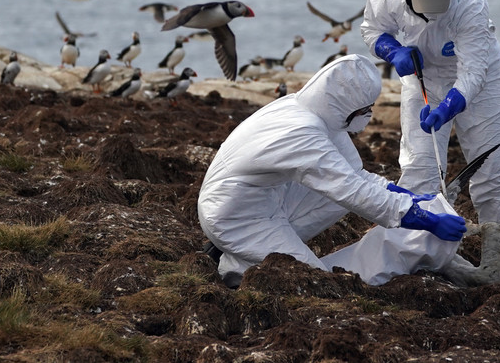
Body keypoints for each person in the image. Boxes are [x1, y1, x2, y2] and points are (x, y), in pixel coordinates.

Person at [197, 54, 467, 288]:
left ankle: (236, 259)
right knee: (312, 279)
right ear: (345, 104)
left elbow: (355, 174)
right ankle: (236, 262)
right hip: (233, 216)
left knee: (334, 198)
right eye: (365, 109)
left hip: (263, 197)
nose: (369, 114)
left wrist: (405, 196)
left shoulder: (317, 112)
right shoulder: (302, 134)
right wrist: (424, 220)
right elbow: (351, 190)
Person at [361, 0, 500, 234]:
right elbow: (371, 29)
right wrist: (392, 51)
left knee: (492, 173)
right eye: (426, 0)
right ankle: (410, 249)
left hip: (483, 82)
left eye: (440, 0)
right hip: (423, 79)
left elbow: (473, 71)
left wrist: (448, 106)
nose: (435, 8)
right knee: (419, 169)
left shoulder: (469, 1)